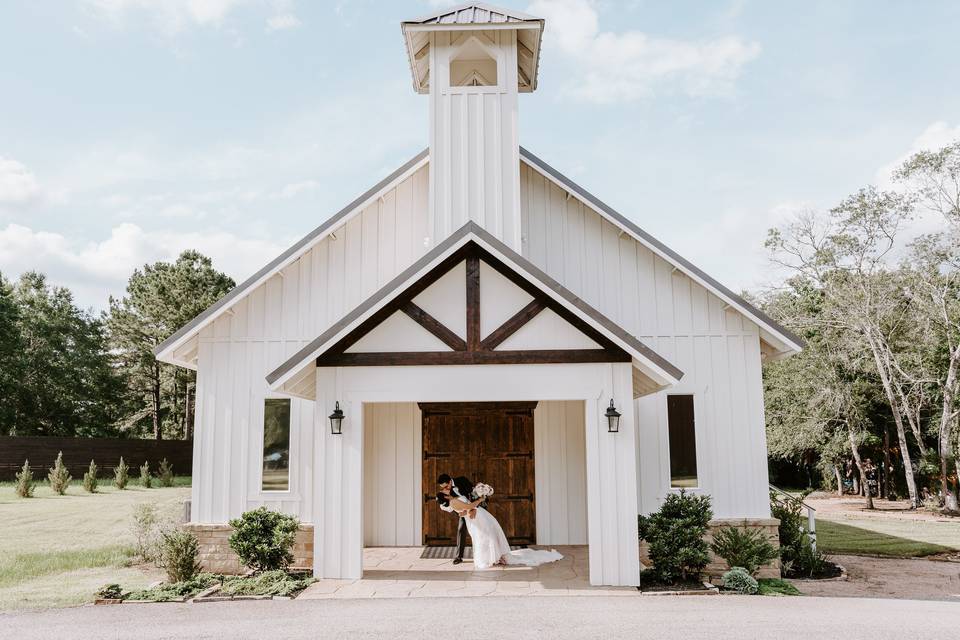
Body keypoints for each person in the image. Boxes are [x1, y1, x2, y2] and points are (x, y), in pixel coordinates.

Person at [436, 473, 562, 569]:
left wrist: (474, 507)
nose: (445, 489)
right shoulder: (448, 493)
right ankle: (459, 556)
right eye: (443, 488)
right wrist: (460, 512)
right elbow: (454, 504)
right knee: (466, 531)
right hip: (467, 513)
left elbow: (473, 494)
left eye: (446, 486)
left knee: (489, 532)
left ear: (449, 480)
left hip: (477, 509)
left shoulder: (461, 480)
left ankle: (497, 555)